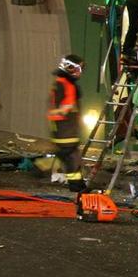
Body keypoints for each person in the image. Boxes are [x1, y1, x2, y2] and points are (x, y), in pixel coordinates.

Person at [47, 54, 85, 192]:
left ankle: (77, 184)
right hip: (65, 127)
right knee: (71, 156)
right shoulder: (65, 84)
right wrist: (65, 110)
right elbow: (63, 108)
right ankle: (76, 186)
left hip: (65, 126)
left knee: (70, 156)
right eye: (77, 68)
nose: (79, 72)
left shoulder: (62, 83)